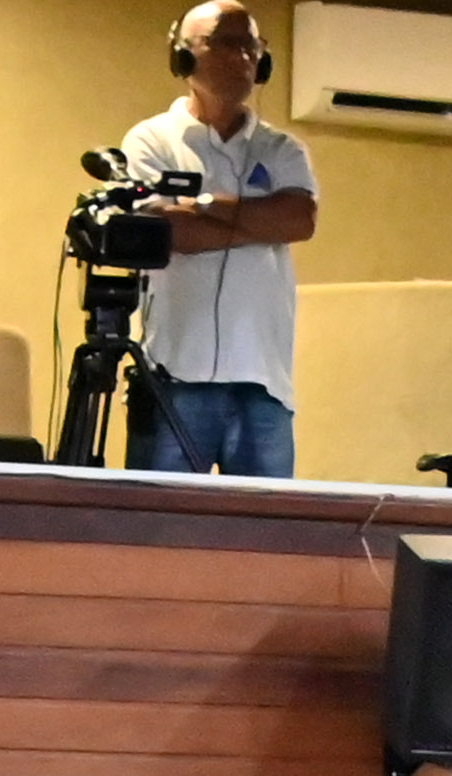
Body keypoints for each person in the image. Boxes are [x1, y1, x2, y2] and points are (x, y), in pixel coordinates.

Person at [120, 2, 317, 480]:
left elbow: (298, 220)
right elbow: (169, 233)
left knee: (264, 527)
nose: (244, 58)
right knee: (160, 522)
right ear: (183, 55)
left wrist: (203, 204)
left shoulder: (282, 149)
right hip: (174, 379)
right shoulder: (150, 141)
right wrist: (257, 219)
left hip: (263, 385)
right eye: (227, 44)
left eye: (252, 46)